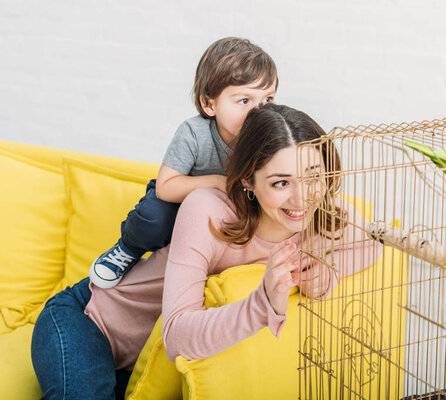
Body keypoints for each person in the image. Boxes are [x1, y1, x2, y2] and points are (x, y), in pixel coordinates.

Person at [31, 104, 381, 399]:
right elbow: (177, 337)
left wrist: (329, 271)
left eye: (313, 176)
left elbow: (372, 247)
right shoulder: (208, 210)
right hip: (90, 322)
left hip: (149, 365)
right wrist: (263, 304)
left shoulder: (328, 217)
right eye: (280, 182)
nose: (302, 197)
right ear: (247, 181)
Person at [89, 36, 278, 288]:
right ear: (208, 104)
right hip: (178, 202)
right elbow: (166, 187)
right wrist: (216, 182)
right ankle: (127, 248)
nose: (259, 112)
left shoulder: (269, 136)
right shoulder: (193, 133)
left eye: (267, 100)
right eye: (244, 100)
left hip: (225, 210)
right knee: (153, 217)